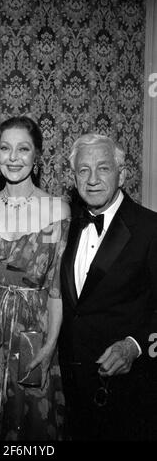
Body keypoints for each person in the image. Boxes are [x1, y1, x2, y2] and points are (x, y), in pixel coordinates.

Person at [0, 116, 70, 440]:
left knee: (29, 422)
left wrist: (49, 346)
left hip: (32, 328)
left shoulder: (58, 210)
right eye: (5, 148)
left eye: (23, 149)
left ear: (37, 157)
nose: (13, 157)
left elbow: (57, 287)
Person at [59, 133, 157, 441]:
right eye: (83, 170)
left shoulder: (150, 229)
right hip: (70, 389)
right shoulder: (65, 225)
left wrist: (135, 345)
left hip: (127, 392)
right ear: (72, 177)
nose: (92, 179)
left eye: (103, 168)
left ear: (122, 174)